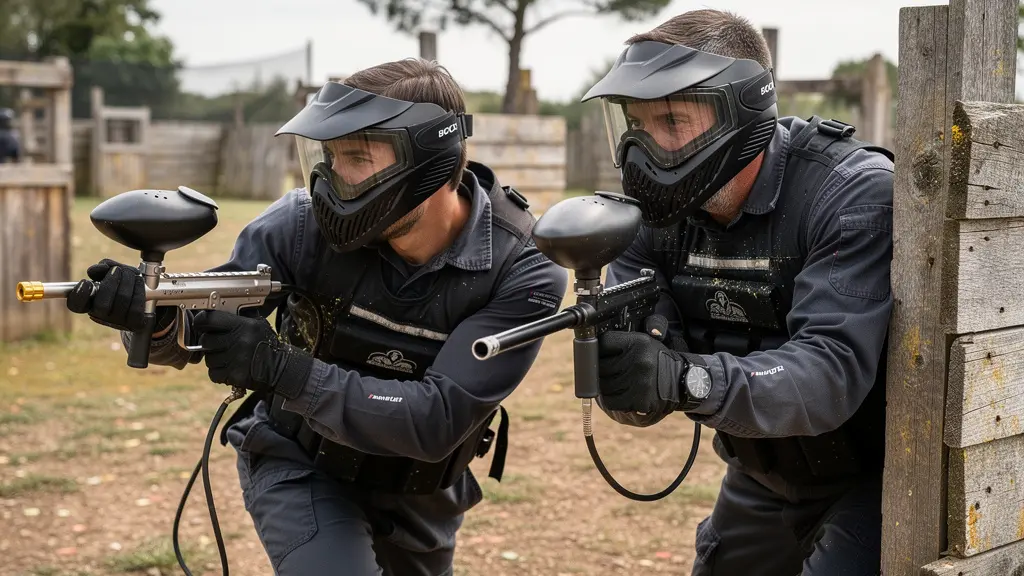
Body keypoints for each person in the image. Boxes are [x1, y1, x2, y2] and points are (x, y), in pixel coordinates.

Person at [64, 58, 569, 575]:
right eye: (328, 156)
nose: (331, 178)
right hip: (299, 459)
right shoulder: (299, 225)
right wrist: (148, 319)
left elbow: (436, 419)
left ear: (432, 163)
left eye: (357, 157)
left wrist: (282, 369)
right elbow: (192, 329)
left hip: (420, 488)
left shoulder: (523, 265)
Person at [583, 9, 895, 576]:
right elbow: (636, 384)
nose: (644, 149)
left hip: (875, 479)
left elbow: (830, 372)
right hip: (759, 471)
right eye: (635, 123)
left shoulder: (849, 195)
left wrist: (686, 379)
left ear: (741, 113)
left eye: (672, 121)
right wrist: (630, 368)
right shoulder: (652, 217)